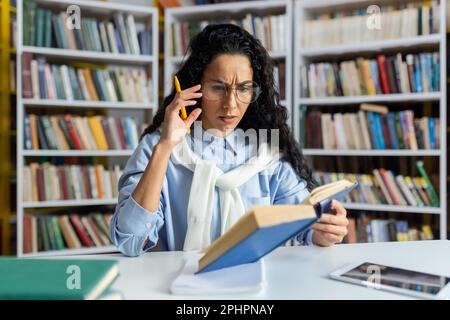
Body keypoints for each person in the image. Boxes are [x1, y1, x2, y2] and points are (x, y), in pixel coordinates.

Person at [110, 24, 348, 257]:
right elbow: (130, 240)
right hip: (177, 288)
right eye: (218, 88)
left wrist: (325, 231)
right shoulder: (157, 147)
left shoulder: (265, 154)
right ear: (195, 87)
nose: (231, 105)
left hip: (253, 288)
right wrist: (164, 148)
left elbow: (305, 224)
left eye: (243, 89)